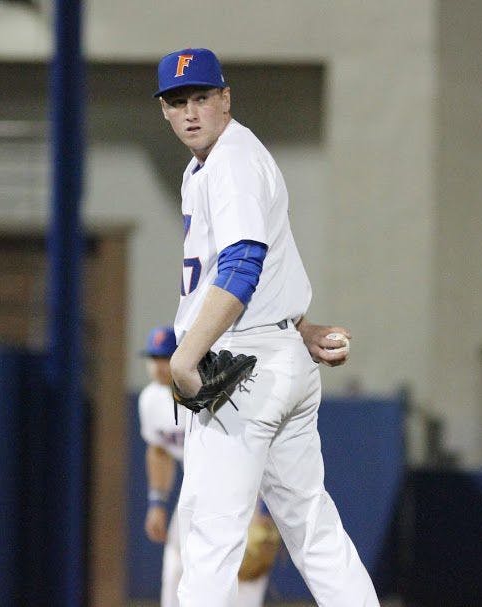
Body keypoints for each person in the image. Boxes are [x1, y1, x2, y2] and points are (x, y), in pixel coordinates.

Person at [154, 48, 380, 606]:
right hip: (278, 359)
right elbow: (274, 255)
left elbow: (244, 262)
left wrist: (185, 357)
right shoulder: (225, 158)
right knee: (312, 528)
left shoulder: (229, 160)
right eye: (177, 101)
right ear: (164, 110)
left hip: (240, 372)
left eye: (202, 97)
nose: (190, 111)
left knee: (208, 538)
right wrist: (298, 326)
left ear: (225, 98)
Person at [137, 325, 276, 607]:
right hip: (197, 489)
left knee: (244, 573)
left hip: (242, 490)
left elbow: (257, 448)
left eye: (166, 357)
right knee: (176, 565)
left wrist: (263, 507)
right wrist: (156, 502)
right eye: (154, 358)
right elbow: (159, 452)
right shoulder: (150, 399)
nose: (159, 366)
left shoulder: (212, 390)